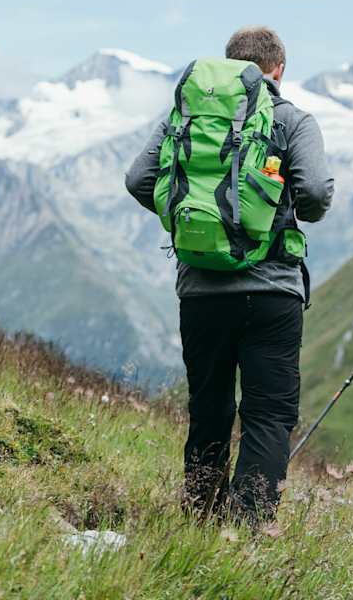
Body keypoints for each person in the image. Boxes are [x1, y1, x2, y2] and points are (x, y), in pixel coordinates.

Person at [125, 26, 334, 524]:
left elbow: (139, 179)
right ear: (278, 69)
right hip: (272, 293)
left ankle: (199, 516)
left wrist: (187, 221)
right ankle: (248, 528)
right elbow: (317, 195)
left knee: (210, 406)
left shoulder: (186, 118)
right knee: (268, 413)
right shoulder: (292, 119)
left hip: (200, 288)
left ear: (232, 65)